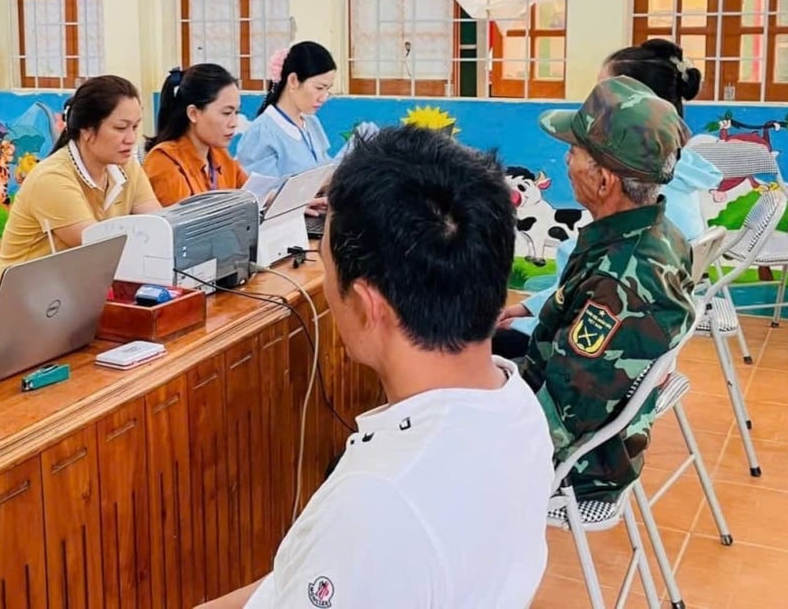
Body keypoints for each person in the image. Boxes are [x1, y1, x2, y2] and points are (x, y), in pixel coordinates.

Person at [198, 126, 554, 609]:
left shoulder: (381, 504)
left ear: (368, 306)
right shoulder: (512, 400)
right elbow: (290, 582)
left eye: (326, 271)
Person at [517, 75, 695, 503]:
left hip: (575, 464)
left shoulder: (620, 283)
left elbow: (557, 419)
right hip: (581, 419)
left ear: (604, 181)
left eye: (573, 152)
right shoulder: (654, 233)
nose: (565, 161)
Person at [495, 38, 721, 357]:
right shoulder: (649, 206)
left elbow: (571, 381)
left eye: (605, 94)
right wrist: (531, 308)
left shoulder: (623, 266)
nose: (566, 162)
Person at [0, 75, 160, 290]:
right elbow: (98, 252)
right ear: (87, 130)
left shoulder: (126, 165)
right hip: (26, 300)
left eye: (135, 127)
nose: (131, 138)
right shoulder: (52, 179)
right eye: (120, 128)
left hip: (80, 292)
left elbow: (159, 226)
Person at [144, 64, 248, 206]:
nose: (234, 123)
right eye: (226, 113)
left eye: (236, 112)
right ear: (193, 113)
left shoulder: (220, 154)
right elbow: (182, 223)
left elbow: (252, 194)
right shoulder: (163, 161)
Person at [236, 41, 335, 179]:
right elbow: (260, 192)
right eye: (319, 88)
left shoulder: (312, 123)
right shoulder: (262, 132)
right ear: (293, 80)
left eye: (327, 89)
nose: (323, 98)